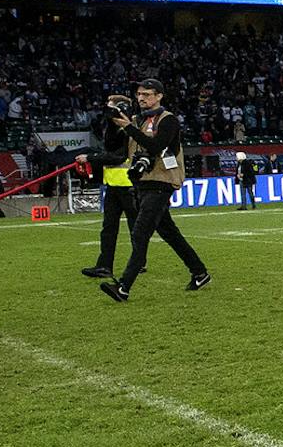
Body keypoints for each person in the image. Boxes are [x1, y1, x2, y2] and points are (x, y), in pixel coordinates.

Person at [98, 79, 210, 302]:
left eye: (147, 94)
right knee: (170, 233)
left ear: (159, 96)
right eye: (139, 94)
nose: (141, 98)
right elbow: (113, 147)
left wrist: (128, 126)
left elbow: (155, 146)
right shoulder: (137, 120)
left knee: (139, 233)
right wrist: (113, 122)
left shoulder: (168, 120)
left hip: (162, 182)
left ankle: (123, 287)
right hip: (143, 183)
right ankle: (200, 272)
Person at [80, 94, 137, 276]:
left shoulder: (127, 129)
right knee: (109, 228)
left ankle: (138, 261)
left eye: (111, 107)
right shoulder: (114, 128)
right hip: (114, 183)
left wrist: (90, 158)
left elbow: (119, 156)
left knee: (135, 227)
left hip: (128, 184)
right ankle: (104, 265)